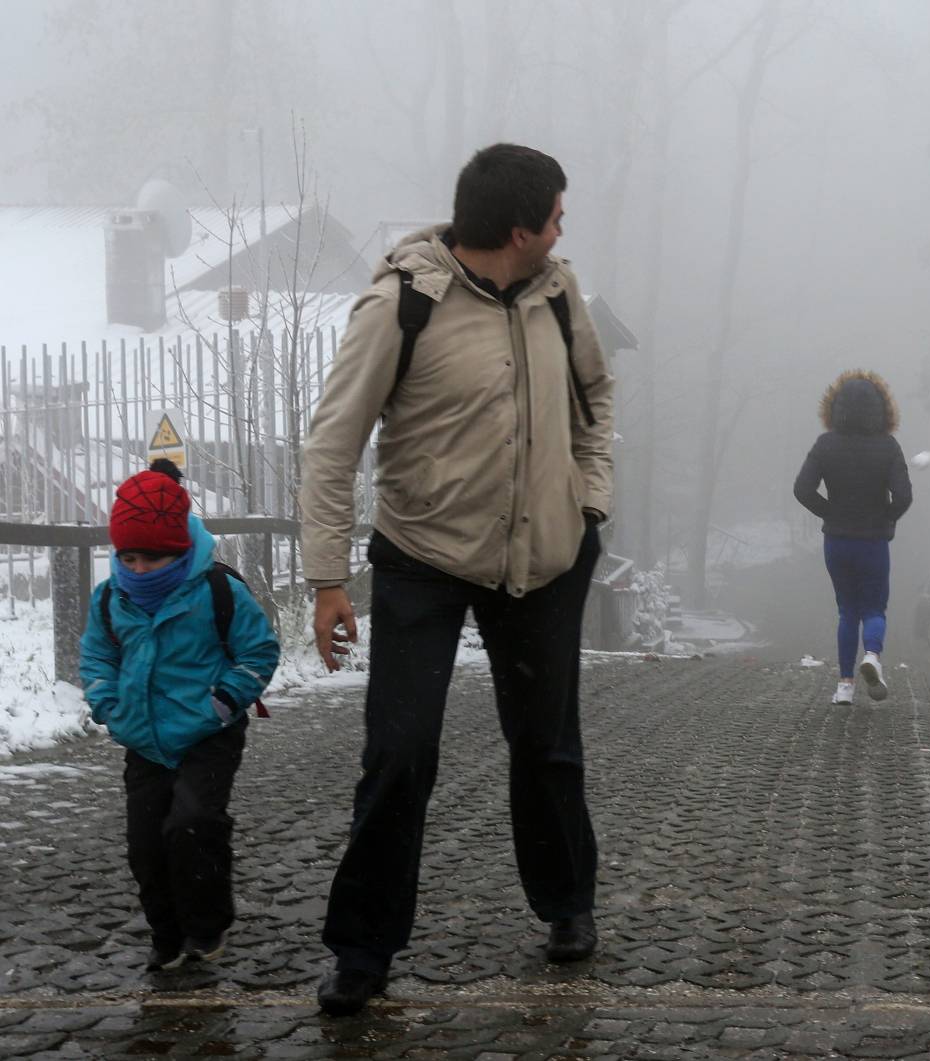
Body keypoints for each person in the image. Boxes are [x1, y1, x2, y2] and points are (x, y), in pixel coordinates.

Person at [299, 144, 616, 1016]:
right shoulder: (403, 302)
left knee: (546, 744)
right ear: (519, 231)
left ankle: (567, 905)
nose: (564, 228)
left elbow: (597, 399)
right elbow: (332, 443)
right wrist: (326, 575)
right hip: (424, 559)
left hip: (544, 560)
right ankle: (362, 950)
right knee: (400, 755)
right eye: (556, 215)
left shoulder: (559, 293)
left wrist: (588, 504)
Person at [79, 459, 280, 972]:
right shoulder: (110, 598)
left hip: (208, 734)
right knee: (145, 842)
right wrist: (107, 701)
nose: (140, 570)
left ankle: (205, 927)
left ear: (179, 550)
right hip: (143, 740)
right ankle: (165, 934)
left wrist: (222, 702)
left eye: (153, 558)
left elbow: (258, 653)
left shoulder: (217, 589)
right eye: (130, 558)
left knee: (193, 824)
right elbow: (97, 656)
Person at [794, 370, 913, 705]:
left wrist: (829, 512)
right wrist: (886, 518)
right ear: (881, 409)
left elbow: (802, 489)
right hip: (873, 541)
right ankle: (872, 656)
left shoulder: (825, 444)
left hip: (838, 541)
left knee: (847, 611)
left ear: (836, 406)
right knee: (874, 608)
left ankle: (844, 686)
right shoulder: (887, 446)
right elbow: (903, 496)